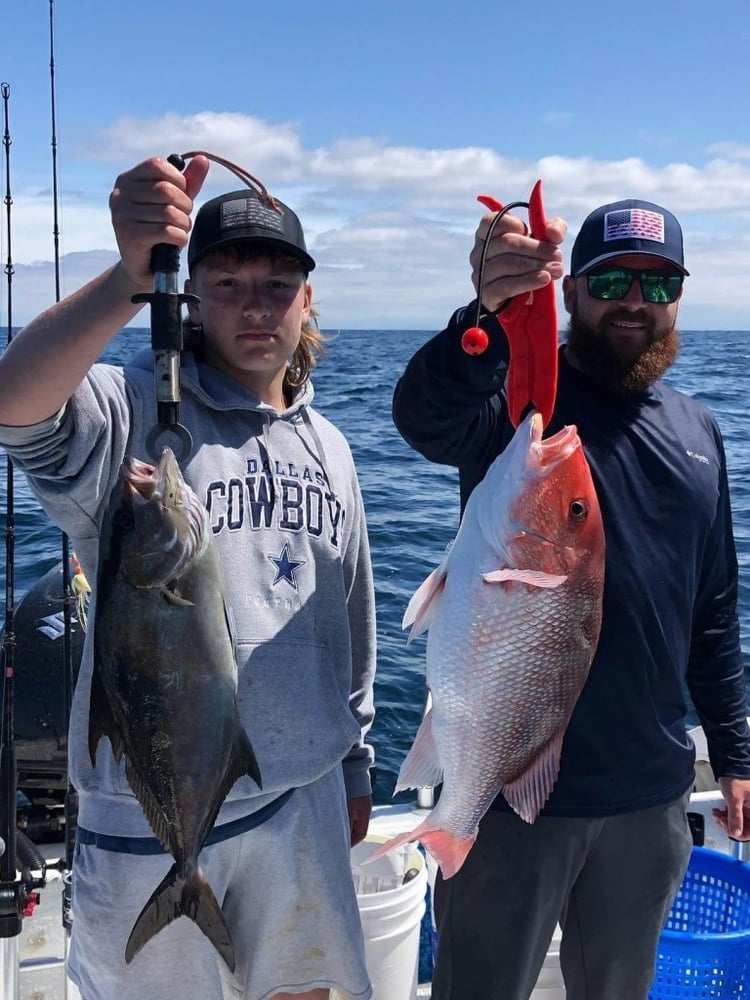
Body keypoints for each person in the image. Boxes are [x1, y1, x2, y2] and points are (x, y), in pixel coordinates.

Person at [0, 154, 376, 1000]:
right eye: (228, 280)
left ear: (307, 301)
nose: (254, 303)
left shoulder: (333, 448)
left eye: (278, 284)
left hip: (305, 800)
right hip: (145, 815)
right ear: (191, 299)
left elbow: (351, 624)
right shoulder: (134, 406)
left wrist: (355, 767)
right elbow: (15, 406)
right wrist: (126, 280)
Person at [392, 196, 750, 1000]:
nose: (634, 302)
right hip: (510, 801)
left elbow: (714, 612)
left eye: (658, 286)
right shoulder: (526, 408)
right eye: (613, 279)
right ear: (576, 289)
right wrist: (481, 316)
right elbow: (424, 417)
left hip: (649, 798)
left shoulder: (700, 429)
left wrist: (735, 757)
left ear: (679, 300)